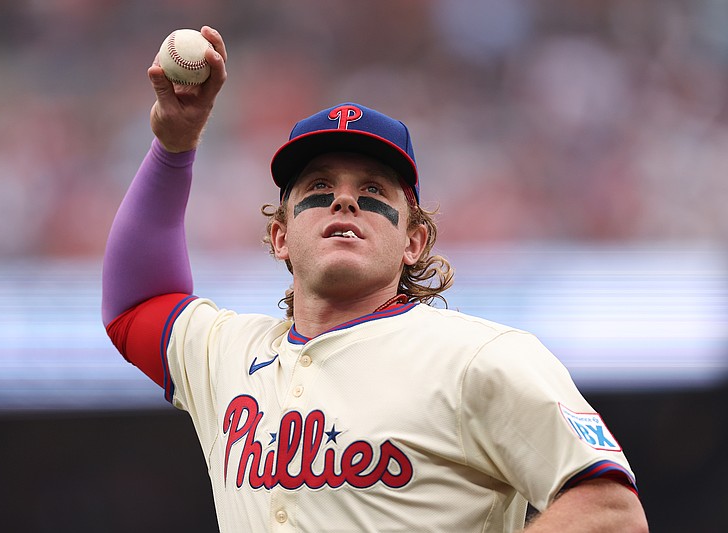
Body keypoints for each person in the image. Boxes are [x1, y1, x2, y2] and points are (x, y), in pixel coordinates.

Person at [102, 26, 648, 532]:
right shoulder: (229, 354)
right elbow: (136, 304)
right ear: (281, 238)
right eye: (318, 185)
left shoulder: (479, 358)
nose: (344, 198)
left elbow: (610, 510)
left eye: (373, 191)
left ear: (413, 243)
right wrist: (174, 145)